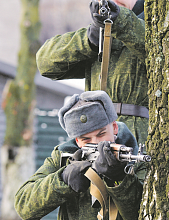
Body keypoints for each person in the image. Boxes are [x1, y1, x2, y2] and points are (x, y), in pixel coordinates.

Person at [36, 0, 149, 145]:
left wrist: (121, 21)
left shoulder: (153, 24)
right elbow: (45, 63)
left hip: (140, 136)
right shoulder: (99, 33)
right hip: (95, 134)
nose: (111, 3)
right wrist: (89, 39)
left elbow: (157, 53)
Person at [14, 90, 148, 220]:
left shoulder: (133, 157)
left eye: (101, 134)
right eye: (86, 139)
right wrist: (63, 180)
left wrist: (120, 179)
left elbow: (142, 213)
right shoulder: (64, 156)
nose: (96, 143)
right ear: (77, 141)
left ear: (114, 127)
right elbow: (23, 206)